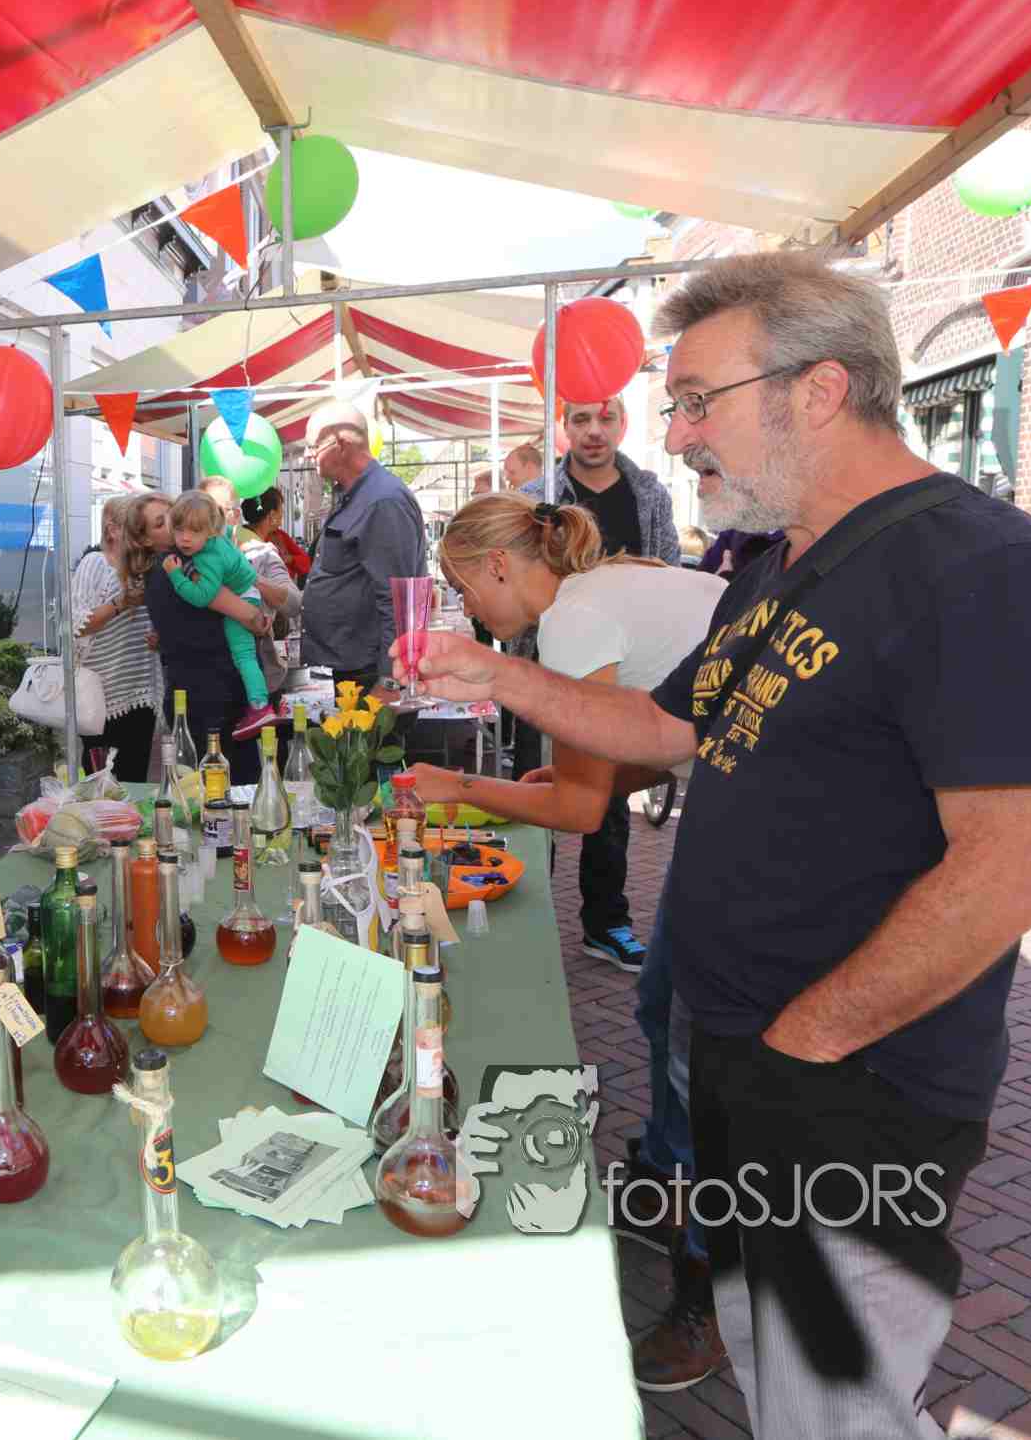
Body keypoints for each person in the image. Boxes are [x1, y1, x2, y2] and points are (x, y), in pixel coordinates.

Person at [398, 252, 1031, 1439]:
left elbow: (1007, 873)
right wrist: (493, 671)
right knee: (769, 1365)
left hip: (853, 1081)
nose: (676, 436)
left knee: (835, 1409)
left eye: (697, 401)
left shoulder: (989, 570)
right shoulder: (780, 567)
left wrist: (804, 1042)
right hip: (742, 1046)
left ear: (818, 390)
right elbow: (661, 726)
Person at [401, 489, 726, 1388]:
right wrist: (556, 780)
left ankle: (706, 1286)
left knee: (698, 1045)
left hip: (763, 810)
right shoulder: (602, 587)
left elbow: (581, 809)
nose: (469, 610)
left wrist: (457, 789)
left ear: (501, 565)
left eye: (464, 588)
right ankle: (661, 1177)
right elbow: (640, 752)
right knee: (661, 1000)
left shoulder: (573, 622)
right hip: (736, 790)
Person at [517, 396, 681, 971]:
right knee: (539, 790)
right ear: (564, 427)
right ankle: (526, 917)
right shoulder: (537, 496)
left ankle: (606, 921)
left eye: (605, 418)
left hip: (623, 670)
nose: (593, 431)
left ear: (622, 424)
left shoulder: (649, 494)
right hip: (548, 666)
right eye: (581, 419)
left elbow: (668, 571)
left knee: (609, 800)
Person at [300, 398, 427, 695]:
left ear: (340, 444)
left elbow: (399, 599)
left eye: (313, 446)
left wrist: (390, 680)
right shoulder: (356, 495)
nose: (307, 455)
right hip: (357, 665)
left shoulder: (382, 501)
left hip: (372, 672)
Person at [162, 490, 280, 738]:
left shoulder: (207, 558)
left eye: (194, 531)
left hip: (244, 596)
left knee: (244, 656)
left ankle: (260, 706)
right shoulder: (219, 537)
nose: (184, 538)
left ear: (210, 530)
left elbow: (202, 596)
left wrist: (176, 575)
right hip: (249, 590)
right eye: (179, 530)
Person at [73, 493, 167, 781]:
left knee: (134, 779)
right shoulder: (95, 563)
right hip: (99, 693)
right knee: (100, 781)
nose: (139, 534)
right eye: (132, 526)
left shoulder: (148, 566)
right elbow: (77, 624)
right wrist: (121, 603)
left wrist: (160, 637)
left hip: (140, 689)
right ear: (112, 529)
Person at [237, 485, 305, 700]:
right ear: (272, 516)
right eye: (281, 511)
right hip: (254, 653)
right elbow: (294, 603)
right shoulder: (263, 552)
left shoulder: (227, 540)